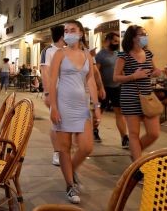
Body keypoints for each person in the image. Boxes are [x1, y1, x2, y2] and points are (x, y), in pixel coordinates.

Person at [48, 20, 101, 204]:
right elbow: (52, 80)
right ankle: (70, 185)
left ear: (81, 33)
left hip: (81, 106)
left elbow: (91, 81)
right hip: (63, 105)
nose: (68, 33)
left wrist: (97, 106)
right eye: (66, 31)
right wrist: (53, 107)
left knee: (87, 147)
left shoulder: (87, 55)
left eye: (72, 30)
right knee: (64, 148)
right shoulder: (59, 54)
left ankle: (70, 170)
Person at [113, 25, 161, 162]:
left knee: (154, 133)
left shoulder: (148, 53)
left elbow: (154, 69)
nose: (145, 36)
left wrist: (156, 72)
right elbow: (115, 77)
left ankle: (135, 154)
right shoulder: (124, 55)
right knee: (134, 134)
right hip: (130, 96)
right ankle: (138, 167)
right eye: (142, 34)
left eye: (146, 33)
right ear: (133, 38)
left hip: (147, 96)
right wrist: (134, 76)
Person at [95, 32, 129, 148]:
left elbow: (121, 70)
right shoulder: (100, 55)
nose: (116, 44)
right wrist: (99, 88)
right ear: (108, 41)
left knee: (119, 113)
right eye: (115, 41)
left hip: (117, 87)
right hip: (104, 88)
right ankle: (94, 130)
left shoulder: (118, 54)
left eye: (118, 42)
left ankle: (124, 137)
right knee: (100, 111)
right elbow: (96, 72)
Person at [40, 25, 66, 167]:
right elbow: (45, 72)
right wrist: (48, 93)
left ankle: (65, 150)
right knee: (56, 123)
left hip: (69, 93)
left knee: (66, 123)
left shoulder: (68, 51)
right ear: (62, 36)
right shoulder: (48, 51)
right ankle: (57, 153)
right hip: (55, 92)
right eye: (67, 32)